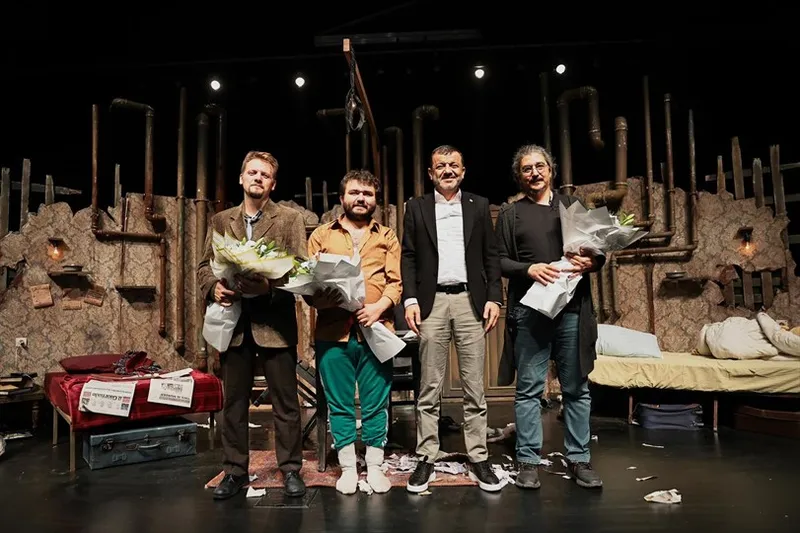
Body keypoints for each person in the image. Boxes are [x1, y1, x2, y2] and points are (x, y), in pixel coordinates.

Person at [197, 151, 307, 500]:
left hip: (275, 324)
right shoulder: (220, 220)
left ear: (273, 184)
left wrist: (268, 288)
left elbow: (300, 270)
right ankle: (234, 471)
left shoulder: (289, 219)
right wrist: (213, 288)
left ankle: (291, 468)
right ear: (241, 178)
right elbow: (203, 267)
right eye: (253, 172)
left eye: (265, 175)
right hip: (234, 325)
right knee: (233, 403)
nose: (258, 178)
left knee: (285, 402)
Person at [494, 144, 604, 490]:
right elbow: (498, 260)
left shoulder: (573, 206)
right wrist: (528, 269)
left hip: (572, 311)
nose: (534, 173)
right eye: (527, 169)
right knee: (529, 390)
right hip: (531, 313)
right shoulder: (510, 214)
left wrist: (594, 262)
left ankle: (579, 459)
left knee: (576, 389)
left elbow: (598, 251)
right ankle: (528, 461)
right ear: (519, 176)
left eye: (540, 166)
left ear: (551, 170)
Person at [401, 145, 504, 493]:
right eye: (440, 166)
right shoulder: (416, 207)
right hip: (431, 303)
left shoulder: (478, 205)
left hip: (469, 301)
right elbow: (409, 256)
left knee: (474, 387)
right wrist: (410, 299)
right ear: (431, 173)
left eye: (453, 165)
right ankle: (426, 456)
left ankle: (478, 457)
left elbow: (491, 256)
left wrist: (494, 298)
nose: (447, 170)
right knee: (429, 386)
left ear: (463, 171)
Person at [306, 169, 402, 495]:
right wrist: (329, 296)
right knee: (340, 403)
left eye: (368, 194)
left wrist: (379, 307)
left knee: (376, 403)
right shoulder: (322, 235)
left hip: (376, 331)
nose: (361, 198)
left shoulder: (387, 236)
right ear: (342, 197)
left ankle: (374, 466)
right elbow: (310, 290)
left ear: (375, 200)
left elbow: (395, 283)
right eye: (355, 192)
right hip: (333, 332)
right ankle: (348, 467)